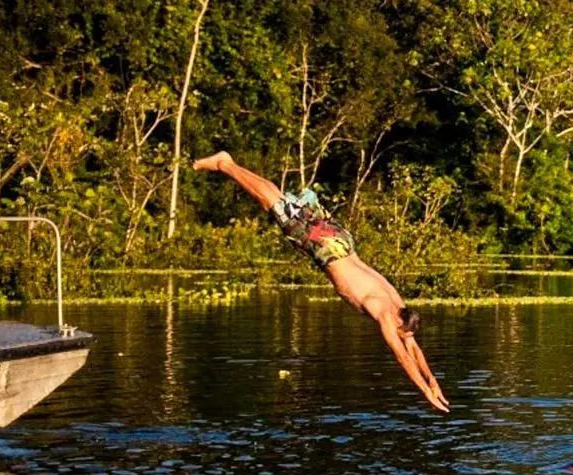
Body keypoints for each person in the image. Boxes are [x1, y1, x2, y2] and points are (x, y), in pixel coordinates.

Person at [191, 151, 450, 413]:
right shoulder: (386, 314)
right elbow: (402, 356)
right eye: (400, 332)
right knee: (274, 204)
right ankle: (225, 164)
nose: (402, 337)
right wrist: (425, 392)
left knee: (280, 203)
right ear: (397, 321)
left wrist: (433, 380)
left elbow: (412, 348)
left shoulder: (398, 305)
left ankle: (227, 163)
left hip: (342, 241)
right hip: (327, 248)